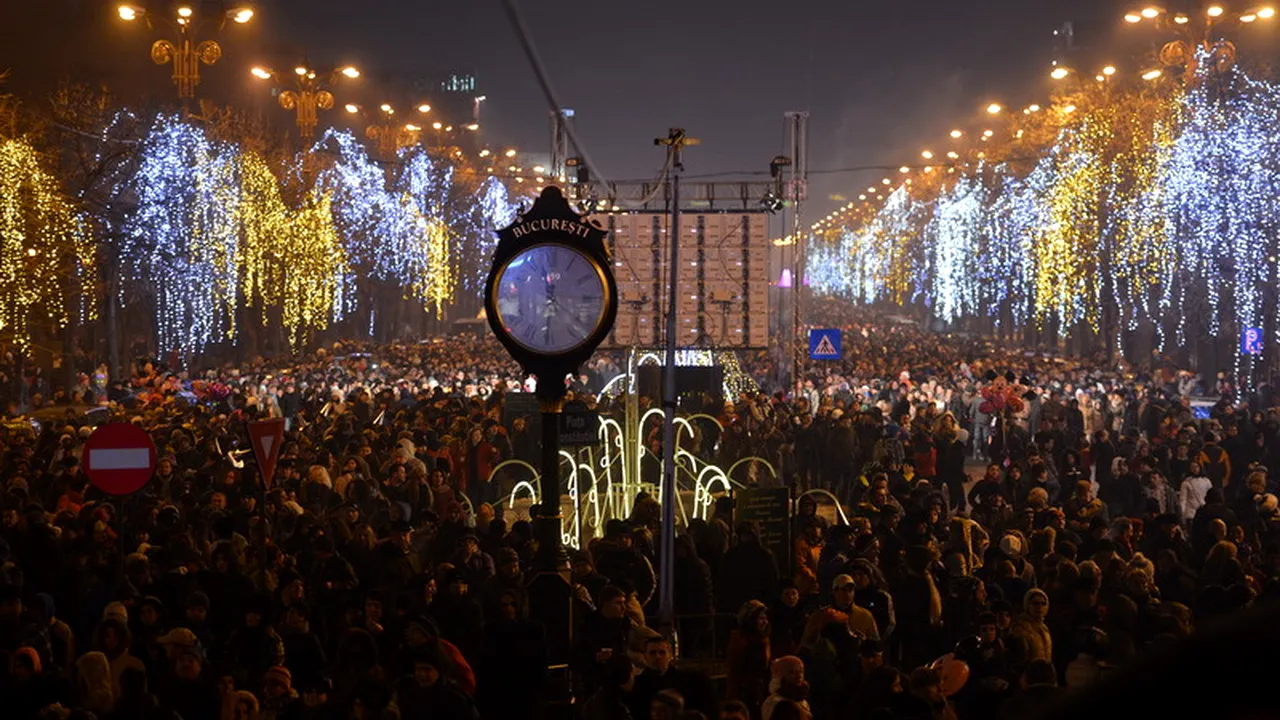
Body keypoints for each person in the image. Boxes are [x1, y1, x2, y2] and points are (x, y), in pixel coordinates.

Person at [760, 656, 810, 720]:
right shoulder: (777, 702)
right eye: (791, 672)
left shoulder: (801, 701)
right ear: (780, 675)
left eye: (801, 671)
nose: (798, 675)